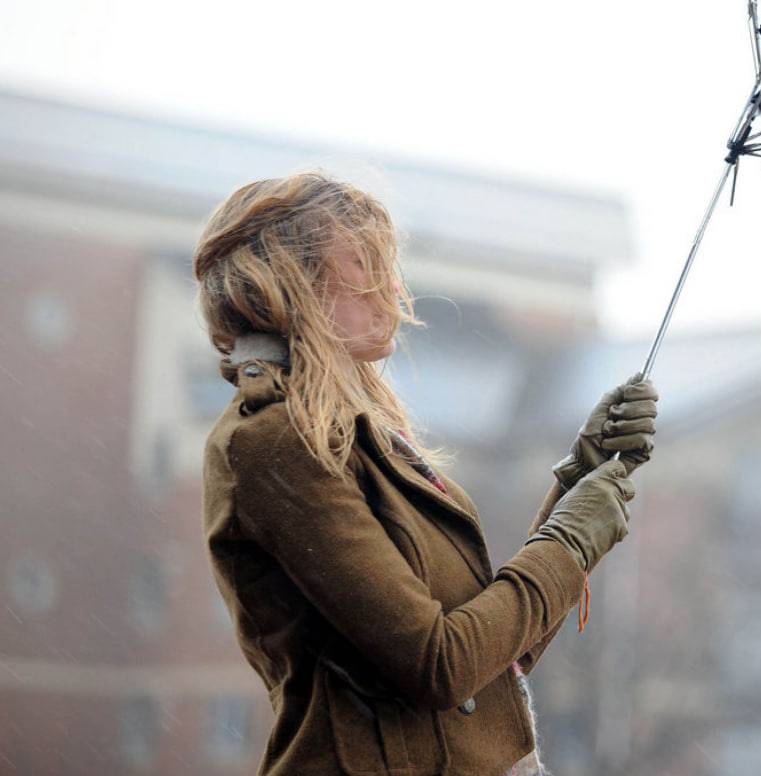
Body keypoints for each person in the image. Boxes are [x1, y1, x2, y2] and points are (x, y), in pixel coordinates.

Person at [193, 172, 658, 776]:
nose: (391, 283)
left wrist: (577, 484)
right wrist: (567, 544)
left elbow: (490, 661)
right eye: (363, 260)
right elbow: (440, 665)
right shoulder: (273, 441)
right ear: (287, 279)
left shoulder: (361, 437)